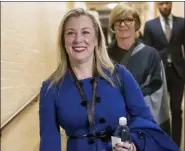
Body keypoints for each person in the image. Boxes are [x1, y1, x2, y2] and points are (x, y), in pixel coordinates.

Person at [39, 8, 180, 151]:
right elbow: (49, 143)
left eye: (85, 32)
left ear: (97, 39)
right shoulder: (51, 88)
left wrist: (133, 145)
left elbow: (145, 121)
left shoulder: (120, 75)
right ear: (63, 41)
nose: (78, 39)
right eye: (70, 33)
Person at [108, 2, 171, 135]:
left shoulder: (150, 55)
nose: (123, 24)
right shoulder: (104, 56)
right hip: (110, 123)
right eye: (118, 20)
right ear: (113, 25)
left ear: (136, 24)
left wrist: (129, 103)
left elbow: (157, 90)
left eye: (128, 19)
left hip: (141, 122)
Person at [143, 1, 185, 147]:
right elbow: (147, 52)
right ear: (157, 5)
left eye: (167, 3)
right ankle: (161, 143)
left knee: (176, 110)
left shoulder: (182, 23)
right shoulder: (150, 25)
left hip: (178, 72)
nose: (165, 7)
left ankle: (176, 145)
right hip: (158, 73)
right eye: (161, 4)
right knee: (159, 111)